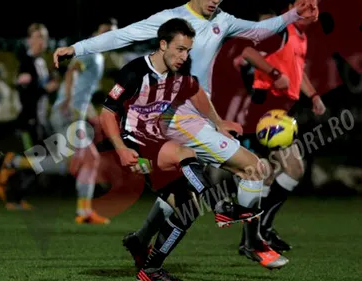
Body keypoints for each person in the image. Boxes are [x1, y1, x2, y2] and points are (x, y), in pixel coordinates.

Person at [53, 0, 319, 269]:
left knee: (180, 193)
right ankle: (251, 240)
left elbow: (259, 31)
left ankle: (142, 239)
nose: (215, 0)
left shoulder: (222, 20)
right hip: (178, 117)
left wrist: (294, 14)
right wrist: (77, 49)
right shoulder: (172, 19)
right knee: (252, 168)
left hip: (198, 113)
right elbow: (124, 35)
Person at [98, 18, 260, 281]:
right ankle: (219, 205)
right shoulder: (134, 72)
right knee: (185, 153)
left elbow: (195, 91)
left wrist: (218, 124)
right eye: (180, 49)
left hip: (155, 146)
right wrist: (120, 149)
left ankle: (150, 268)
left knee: (187, 210)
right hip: (133, 145)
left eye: (188, 50)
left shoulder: (178, 72)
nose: (184, 56)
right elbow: (106, 114)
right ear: (163, 45)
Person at [232, 0, 326, 252]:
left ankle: (255, 235)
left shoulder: (298, 35)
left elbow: (296, 71)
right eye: (306, 4)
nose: (312, 10)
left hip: (278, 112)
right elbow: (248, 53)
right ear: (290, 7)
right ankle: (260, 232)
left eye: (316, 5)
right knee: (293, 168)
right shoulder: (281, 31)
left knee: (268, 175)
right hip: (266, 112)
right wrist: (274, 74)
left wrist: (313, 95)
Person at [50, 21, 117, 224]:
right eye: (104, 32)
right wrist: (69, 102)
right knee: (77, 162)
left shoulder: (97, 56)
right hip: (68, 113)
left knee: (84, 161)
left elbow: (83, 91)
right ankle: (15, 163)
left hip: (74, 114)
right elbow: (71, 72)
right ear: (96, 32)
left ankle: (84, 212)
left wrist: (89, 114)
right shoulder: (91, 52)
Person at [0, 23, 59, 210]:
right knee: (35, 159)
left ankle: (17, 195)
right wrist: (43, 88)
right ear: (29, 40)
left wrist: (49, 85)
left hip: (40, 119)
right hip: (30, 119)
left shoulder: (41, 62)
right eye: (38, 37)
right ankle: (12, 189)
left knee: (40, 160)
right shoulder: (26, 61)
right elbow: (26, 92)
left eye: (44, 37)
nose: (41, 41)